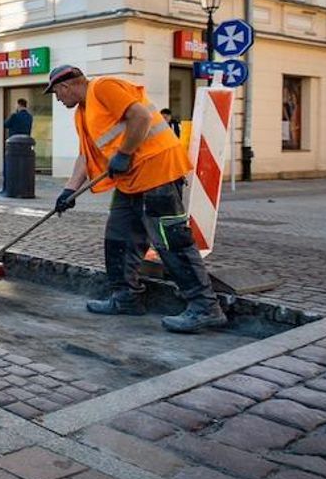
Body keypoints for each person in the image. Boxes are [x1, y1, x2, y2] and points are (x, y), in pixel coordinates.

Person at [47, 65, 225, 333]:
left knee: (171, 240)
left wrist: (125, 153)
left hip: (157, 172)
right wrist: (69, 190)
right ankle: (126, 297)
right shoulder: (83, 113)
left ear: (66, 86)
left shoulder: (103, 87)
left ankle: (206, 307)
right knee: (119, 237)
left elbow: (140, 117)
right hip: (130, 180)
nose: (58, 100)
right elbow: (86, 155)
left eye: (57, 94)